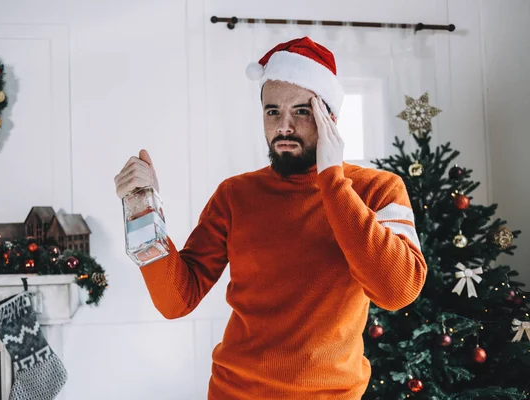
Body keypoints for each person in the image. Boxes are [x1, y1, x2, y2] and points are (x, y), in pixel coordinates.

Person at [114, 37, 427, 399]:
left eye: (302, 111)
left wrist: (332, 179)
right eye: (273, 111)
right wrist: (142, 209)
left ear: (331, 118)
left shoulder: (379, 189)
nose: (284, 126)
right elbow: (176, 301)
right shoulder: (235, 195)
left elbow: (397, 291)